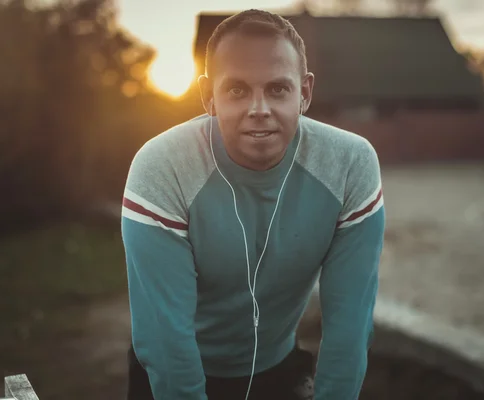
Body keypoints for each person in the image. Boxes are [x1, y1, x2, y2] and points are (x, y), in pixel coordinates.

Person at [121, 8, 385, 400]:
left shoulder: (349, 165)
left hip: (278, 368)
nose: (258, 108)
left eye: (278, 89)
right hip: (173, 375)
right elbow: (166, 341)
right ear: (209, 96)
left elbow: (350, 327)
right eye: (237, 90)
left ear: (305, 93)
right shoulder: (161, 168)